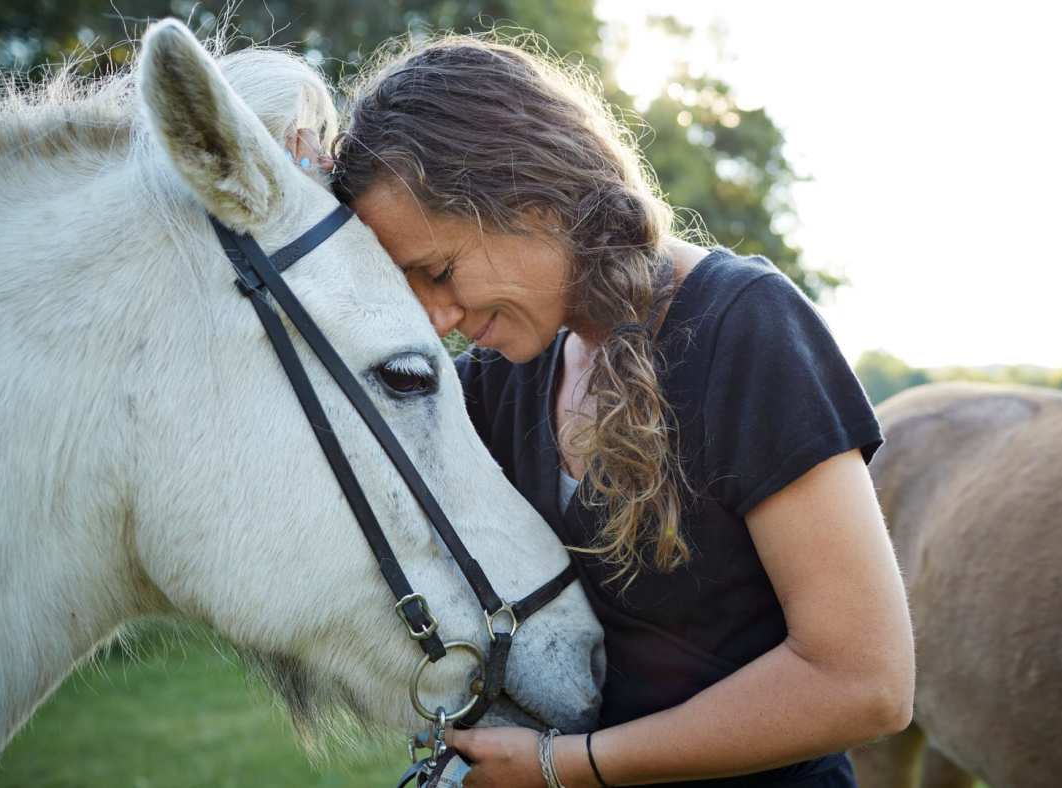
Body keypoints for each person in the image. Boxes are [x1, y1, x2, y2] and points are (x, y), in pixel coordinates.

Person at [306, 33, 915, 787]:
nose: (435, 318)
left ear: (530, 197)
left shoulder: (746, 330)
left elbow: (865, 683)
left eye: (438, 271)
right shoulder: (500, 380)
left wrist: (572, 768)